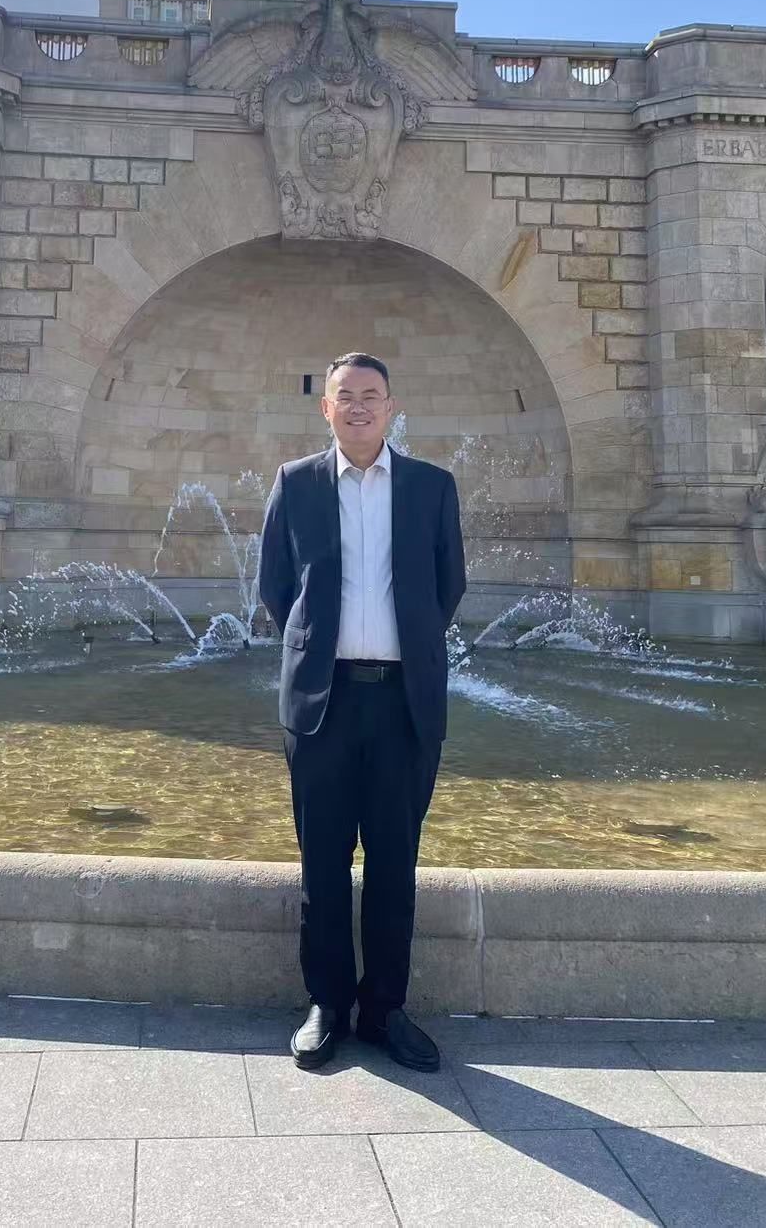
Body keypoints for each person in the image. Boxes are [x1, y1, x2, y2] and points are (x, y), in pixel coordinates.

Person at [259, 352, 466, 1072]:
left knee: (394, 864)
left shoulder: (432, 487)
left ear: (390, 407)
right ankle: (326, 1004)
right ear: (326, 407)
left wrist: (399, 645)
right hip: (322, 702)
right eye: (344, 395)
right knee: (321, 861)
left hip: (405, 703)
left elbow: (448, 585)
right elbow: (276, 586)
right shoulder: (295, 483)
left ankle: (384, 1010)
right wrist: (322, 649)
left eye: (371, 395)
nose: (358, 406)